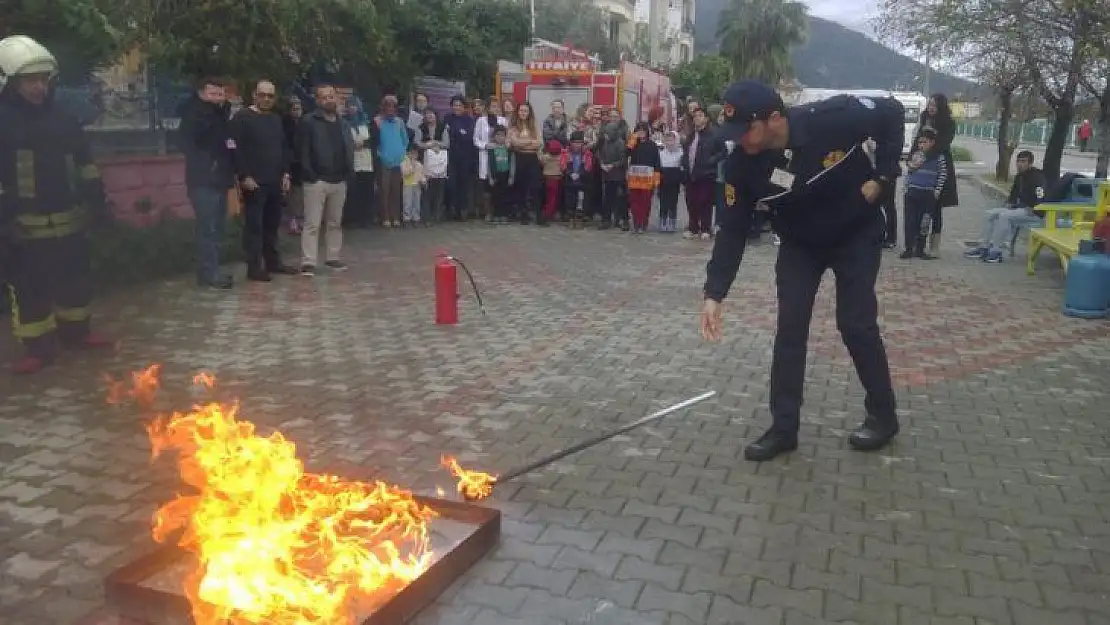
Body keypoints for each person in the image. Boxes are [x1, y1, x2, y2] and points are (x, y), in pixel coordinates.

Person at [701, 80, 905, 461]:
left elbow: (892, 113)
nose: (739, 140)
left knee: (855, 324)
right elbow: (731, 230)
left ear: (774, 119)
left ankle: (883, 415)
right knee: (790, 330)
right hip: (800, 245)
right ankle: (783, 428)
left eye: (746, 130)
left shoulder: (832, 119)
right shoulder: (741, 166)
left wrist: (884, 178)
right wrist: (715, 293)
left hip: (855, 235)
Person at [0, 35, 113, 374]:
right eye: (29, 81)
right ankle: (39, 349)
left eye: (43, 80)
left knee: (74, 282)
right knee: (30, 288)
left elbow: (85, 162)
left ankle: (77, 334)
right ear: (8, 82)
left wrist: (97, 201)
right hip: (23, 226)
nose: (38, 88)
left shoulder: (64, 118)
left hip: (70, 220)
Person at [230, 80, 295, 281]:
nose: (266, 99)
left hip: (275, 180)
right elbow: (234, 149)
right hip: (254, 182)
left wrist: (286, 173)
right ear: (254, 95)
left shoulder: (276, 119)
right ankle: (254, 267)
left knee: (272, 225)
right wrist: (243, 176)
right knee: (254, 227)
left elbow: (284, 148)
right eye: (262, 94)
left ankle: (273, 262)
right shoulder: (242, 118)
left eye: (270, 95)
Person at [179, 76, 236, 289]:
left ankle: (212, 271)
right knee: (207, 229)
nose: (218, 98)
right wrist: (207, 163)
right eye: (213, 93)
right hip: (203, 181)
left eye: (221, 94)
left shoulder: (220, 115)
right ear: (202, 93)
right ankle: (208, 274)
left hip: (220, 180)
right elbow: (186, 143)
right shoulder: (195, 114)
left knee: (217, 229)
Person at [298, 84, 354, 276]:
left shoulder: (343, 123)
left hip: (339, 179)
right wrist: (310, 174)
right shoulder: (308, 122)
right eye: (324, 97)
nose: (329, 100)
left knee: (335, 222)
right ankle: (308, 262)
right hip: (317, 180)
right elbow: (302, 151)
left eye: (331, 96)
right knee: (312, 223)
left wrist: (348, 172)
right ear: (317, 100)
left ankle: (332, 257)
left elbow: (348, 147)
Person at [964, 150, 1048, 263]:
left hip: (1033, 213)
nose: (1020, 164)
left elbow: (1041, 197)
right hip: (1019, 209)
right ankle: (983, 247)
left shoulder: (1038, 178)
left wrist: (1034, 209)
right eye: (1018, 161)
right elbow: (1013, 195)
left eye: (1023, 162)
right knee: (989, 214)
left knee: (1004, 216)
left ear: (1030, 163)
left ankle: (996, 252)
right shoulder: (1020, 176)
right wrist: (1009, 203)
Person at [913, 93, 958, 254]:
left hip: (939, 164)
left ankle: (934, 247)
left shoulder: (949, 123)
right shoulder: (924, 117)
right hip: (921, 165)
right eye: (929, 104)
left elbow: (943, 144)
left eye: (934, 105)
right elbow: (917, 139)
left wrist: (926, 155)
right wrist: (913, 158)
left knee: (936, 207)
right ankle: (917, 244)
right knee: (919, 207)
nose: (931, 108)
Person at [900, 129, 947, 260]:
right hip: (913, 192)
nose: (921, 145)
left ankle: (920, 248)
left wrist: (936, 191)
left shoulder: (938, 157)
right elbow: (909, 172)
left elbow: (943, 174)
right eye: (920, 142)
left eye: (924, 142)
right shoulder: (916, 155)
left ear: (932, 142)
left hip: (928, 194)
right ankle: (909, 248)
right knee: (910, 221)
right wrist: (906, 187)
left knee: (924, 222)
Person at [682, 107, 724, 240]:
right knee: (691, 201)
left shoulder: (714, 135)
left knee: (705, 201)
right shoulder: (691, 136)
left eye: (700, 115)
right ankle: (693, 227)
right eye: (695, 116)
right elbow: (686, 153)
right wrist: (684, 165)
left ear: (706, 118)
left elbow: (722, 152)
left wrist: (711, 161)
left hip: (706, 173)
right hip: (691, 173)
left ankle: (706, 228)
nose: (697, 118)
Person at [374, 95, 409, 228]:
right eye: (387, 105)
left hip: (398, 160)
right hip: (383, 160)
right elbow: (375, 141)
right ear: (383, 107)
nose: (390, 108)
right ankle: (385, 217)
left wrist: (402, 153)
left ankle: (396, 216)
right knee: (384, 189)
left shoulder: (399, 122)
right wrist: (381, 155)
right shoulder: (377, 121)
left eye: (393, 106)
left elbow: (405, 140)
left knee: (396, 189)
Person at [441, 95, 477, 220]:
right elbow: (446, 135)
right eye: (454, 105)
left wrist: (456, 131)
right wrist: (459, 132)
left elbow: (468, 137)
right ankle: (452, 209)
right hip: (451, 155)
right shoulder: (447, 118)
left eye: (459, 105)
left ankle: (463, 210)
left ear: (464, 107)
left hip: (466, 156)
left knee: (464, 183)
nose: (456, 107)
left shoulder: (469, 120)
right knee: (451, 183)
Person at [508, 102, 543, 224]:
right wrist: (529, 142)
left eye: (526, 111)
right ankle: (523, 215)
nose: (523, 113)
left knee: (536, 187)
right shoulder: (513, 127)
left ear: (529, 113)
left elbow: (539, 143)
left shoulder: (534, 125)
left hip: (532, 159)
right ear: (517, 112)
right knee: (521, 187)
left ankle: (539, 216)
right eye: (521, 110)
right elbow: (513, 144)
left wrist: (522, 143)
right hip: (519, 158)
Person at [598, 108, 630, 230]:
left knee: (621, 198)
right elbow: (600, 154)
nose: (606, 135)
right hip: (607, 174)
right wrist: (602, 163)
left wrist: (613, 165)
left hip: (618, 174)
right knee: (607, 197)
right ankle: (606, 219)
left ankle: (623, 220)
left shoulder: (620, 143)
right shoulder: (605, 143)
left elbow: (623, 159)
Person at [627, 121, 661, 233]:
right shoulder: (633, 144)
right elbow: (626, 153)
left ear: (647, 131)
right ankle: (636, 222)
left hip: (647, 178)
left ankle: (643, 223)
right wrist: (632, 140)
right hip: (634, 178)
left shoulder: (652, 145)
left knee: (645, 202)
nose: (641, 132)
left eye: (643, 130)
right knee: (634, 201)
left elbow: (657, 163)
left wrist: (656, 179)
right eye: (639, 130)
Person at [560, 130, 594, 228]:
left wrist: (580, 174)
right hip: (570, 179)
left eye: (579, 143)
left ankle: (580, 217)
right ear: (571, 143)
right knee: (569, 198)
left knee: (582, 198)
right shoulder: (565, 152)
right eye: (575, 142)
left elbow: (588, 166)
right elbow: (562, 165)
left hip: (582, 180)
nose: (577, 145)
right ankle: (570, 216)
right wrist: (570, 174)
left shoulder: (587, 154)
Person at [282, 96, 305, 234]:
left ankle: (301, 219)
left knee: (302, 193)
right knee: (293, 193)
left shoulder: (305, 123)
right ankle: (293, 220)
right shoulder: (285, 124)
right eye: (294, 109)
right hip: (290, 161)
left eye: (299, 109)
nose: (297, 111)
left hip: (303, 161)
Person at [657, 131, 684, 233]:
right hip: (663, 180)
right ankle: (662, 221)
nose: (669, 142)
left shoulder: (681, 153)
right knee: (663, 202)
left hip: (674, 181)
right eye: (667, 140)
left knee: (673, 202)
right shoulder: (661, 153)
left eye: (672, 140)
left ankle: (672, 221)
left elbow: (682, 167)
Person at [487, 126, 513, 224]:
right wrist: (490, 178)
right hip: (495, 175)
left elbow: (512, 163)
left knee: (505, 196)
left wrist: (511, 177)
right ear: (494, 136)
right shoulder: (491, 149)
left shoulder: (508, 149)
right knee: (495, 196)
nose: (500, 137)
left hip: (505, 174)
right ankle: (496, 215)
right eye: (497, 135)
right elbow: (489, 164)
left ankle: (504, 215)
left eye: (503, 135)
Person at [422, 137, 448, 224]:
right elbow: (418, 143)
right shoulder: (422, 128)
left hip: (441, 172)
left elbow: (447, 143)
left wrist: (437, 144)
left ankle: (437, 216)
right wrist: (428, 145)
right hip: (427, 171)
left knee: (439, 195)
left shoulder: (442, 127)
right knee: (427, 195)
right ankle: (427, 218)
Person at [400, 145, 426, 226]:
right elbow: (405, 173)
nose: (413, 155)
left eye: (415, 154)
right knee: (407, 202)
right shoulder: (404, 163)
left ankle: (416, 218)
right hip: (407, 185)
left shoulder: (419, 164)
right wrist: (412, 166)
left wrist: (423, 180)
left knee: (416, 202)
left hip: (416, 185)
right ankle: (407, 218)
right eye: (411, 153)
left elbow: (421, 174)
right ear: (408, 153)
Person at [540, 139, 564, 224]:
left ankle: (548, 212)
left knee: (549, 197)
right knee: (553, 198)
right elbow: (563, 167)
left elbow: (541, 163)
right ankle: (548, 213)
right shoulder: (561, 157)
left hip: (547, 179)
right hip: (557, 179)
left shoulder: (545, 157)